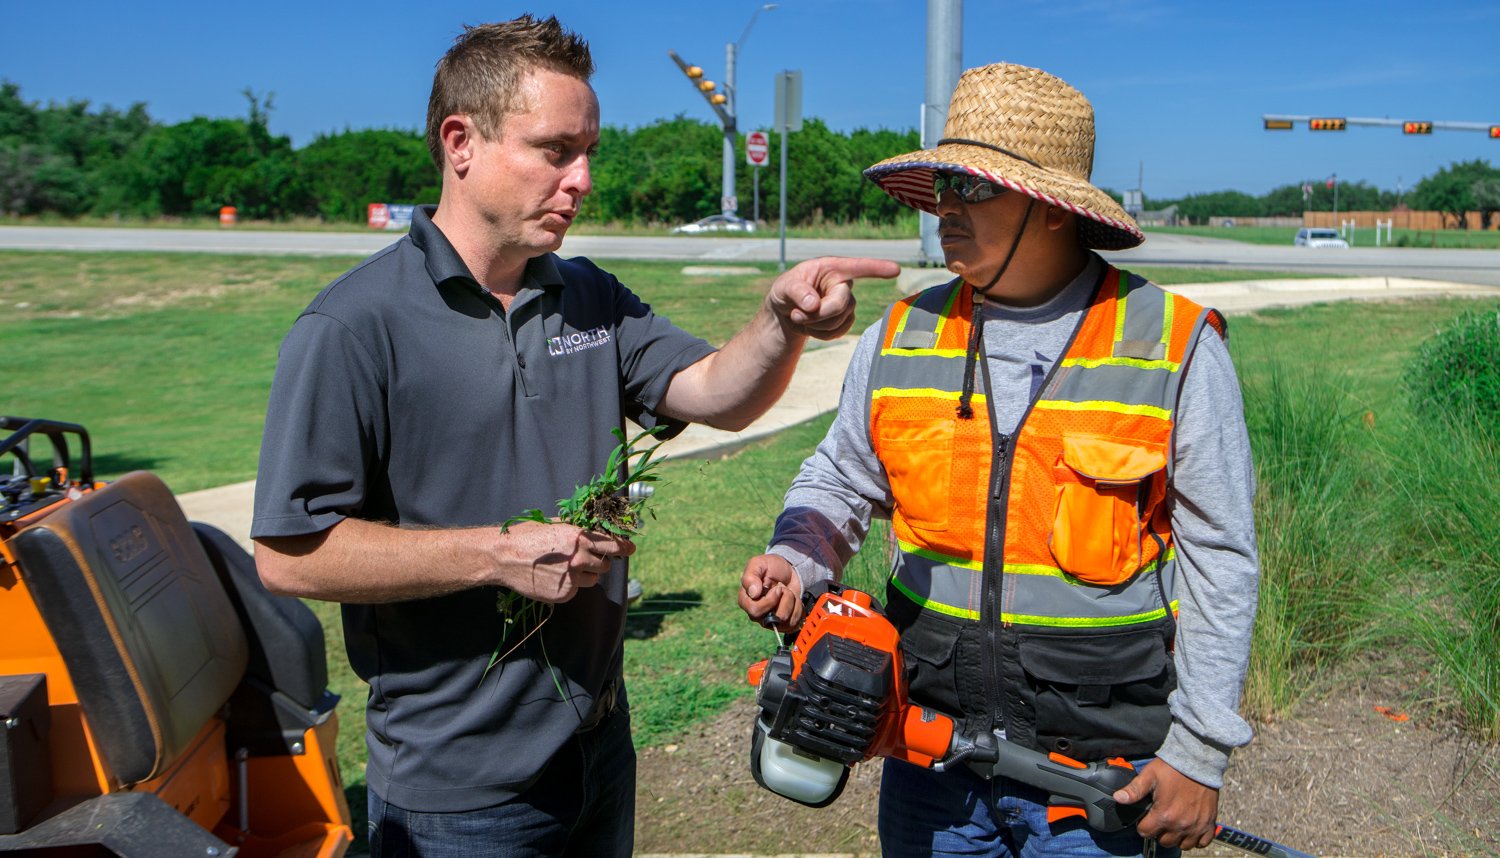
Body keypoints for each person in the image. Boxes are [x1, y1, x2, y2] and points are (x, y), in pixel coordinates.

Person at [251, 15, 897, 858]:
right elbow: (288, 554)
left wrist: (782, 322)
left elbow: (715, 394)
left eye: (588, 150)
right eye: (556, 150)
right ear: (461, 142)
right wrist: (495, 553)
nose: (583, 178)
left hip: (598, 743)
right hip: (460, 790)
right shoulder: (352, 326)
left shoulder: (586, 294)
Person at [738, 62, 1259, 856]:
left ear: (1051, 209)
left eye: (974, 187)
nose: (947, 206)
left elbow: (1221, 557)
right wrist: (796, 557)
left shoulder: (1172, 345)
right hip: (928, 758)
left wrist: (1197, 752)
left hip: (1098, 779)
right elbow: (840, 475)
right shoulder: (903, 334)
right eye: (942, 183)